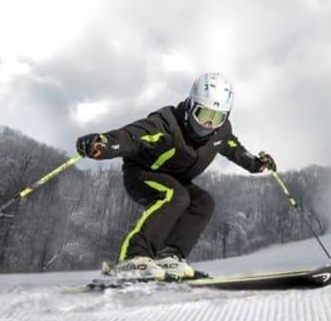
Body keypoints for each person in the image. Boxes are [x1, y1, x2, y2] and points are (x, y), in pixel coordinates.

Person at [75, 72, 276, 280]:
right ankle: (133, 258)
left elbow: (232, 146)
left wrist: (254, 163)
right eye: (203, 114)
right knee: (176, 195)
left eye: (217, 117)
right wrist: (103, 143)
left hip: (176, 180)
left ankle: (169, 256)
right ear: (190, 106)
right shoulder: (167, 124)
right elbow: (132, 136)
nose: (208, 124)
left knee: (203, 203)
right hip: (142, 173)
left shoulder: (220, 131)